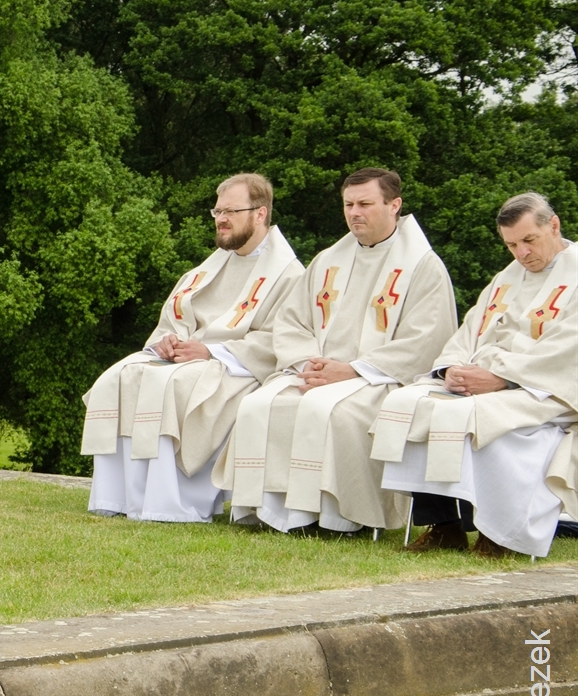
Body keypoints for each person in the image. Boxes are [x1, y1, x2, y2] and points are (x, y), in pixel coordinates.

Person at [215, 168, 456, 534]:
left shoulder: (424, 266)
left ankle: (336, 519)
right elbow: (292, 321)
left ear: (395, 205)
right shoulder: (329, 260)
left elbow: (425, 340)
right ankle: (269, 513)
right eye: (348, 204)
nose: (354, 212)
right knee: (259, 405)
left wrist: (353, 370)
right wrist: (310, 364)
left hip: (379, 381)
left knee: (332, 413)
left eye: (365, 204)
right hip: (314, 372)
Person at [82, 174, 303, 522]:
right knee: (120, 376)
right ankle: (119, 498)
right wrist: (167, 341)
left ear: (260, 214)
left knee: (166, 385)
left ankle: (168, 504)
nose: (221, 219)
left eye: (231, 211)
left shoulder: (289, 275)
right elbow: (176, 317)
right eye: (217, 211)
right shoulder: (210, 267)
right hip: (189, 358)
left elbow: (280, 339)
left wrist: (211, 352)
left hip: (238, 368)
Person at [373, 193, 578, 558]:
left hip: (546, 389)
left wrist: (502, 378)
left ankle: (496, 534)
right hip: (492, 380)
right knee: (408, 403)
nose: (521, 253)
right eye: (511, 244)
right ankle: (444, 527)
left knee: (468, 417)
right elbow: (470, 329)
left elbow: (567, 350)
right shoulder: (508, 276)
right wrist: (452, 368)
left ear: (554, 225)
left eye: (529, 240)